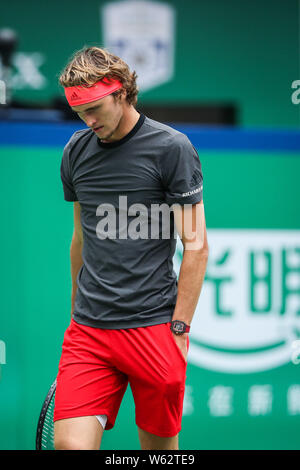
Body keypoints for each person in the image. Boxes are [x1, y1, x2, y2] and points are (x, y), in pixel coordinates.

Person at [53, 46, 209, 451]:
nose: (88, 120)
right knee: (71, 445)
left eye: (94, 107)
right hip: (89, 330)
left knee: (158, 452)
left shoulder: (172, 148)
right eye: (78, 112)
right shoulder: (75, 151)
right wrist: (75, 315)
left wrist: (179, 327)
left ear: (121, 92)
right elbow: (81, 238)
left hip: (153, 326)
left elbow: (196, 245)